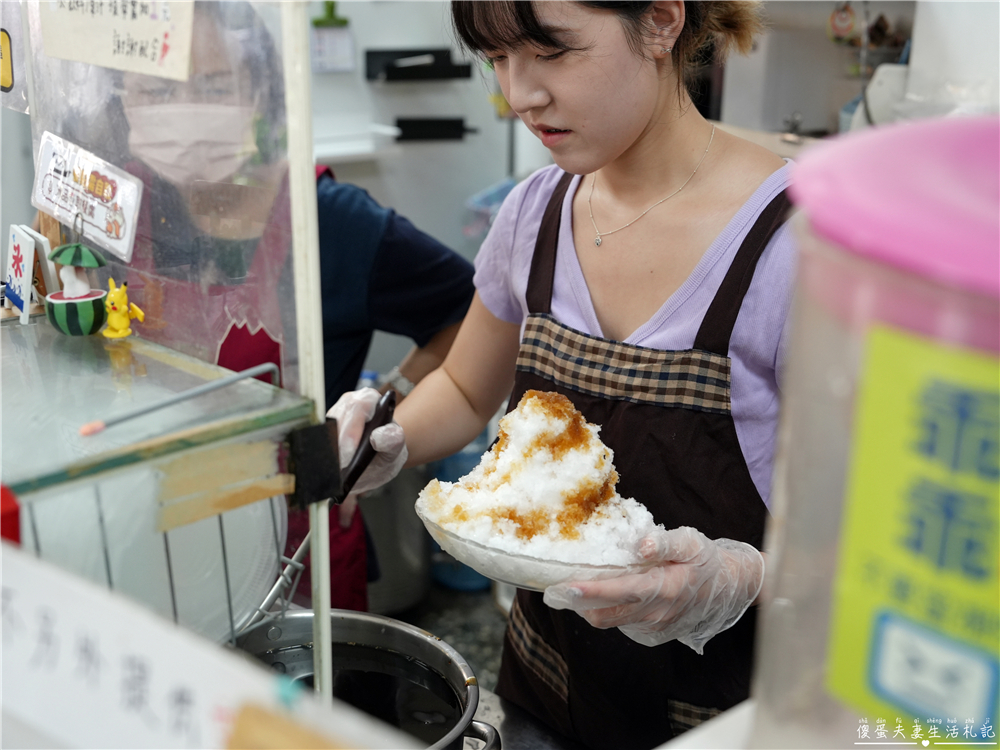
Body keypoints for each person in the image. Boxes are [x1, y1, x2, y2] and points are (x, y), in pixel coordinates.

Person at [329, 1, 795, 748]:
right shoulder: (535, 213)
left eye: (550, 52)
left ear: (662, 20)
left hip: (727, 715)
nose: (519, 94)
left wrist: (744, 577)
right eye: (498, 58)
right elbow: (464, 388)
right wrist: (381, 435)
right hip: (547, 687)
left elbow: (869, 525)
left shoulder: (794, 241)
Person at [110, 3, 474, 612]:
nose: (184, 108)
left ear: (260, 90)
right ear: (123, 97)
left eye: (216, 84)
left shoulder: (329, 219)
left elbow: (470, 313)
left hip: (300, 554)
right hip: (154, 537)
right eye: (155, 87)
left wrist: (383, 397)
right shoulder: (120, 207)